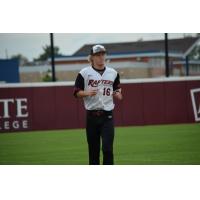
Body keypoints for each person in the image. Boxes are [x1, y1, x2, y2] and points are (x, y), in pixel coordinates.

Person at [74, 44, 122, 165]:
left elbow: (117, 89)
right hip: (92, 117)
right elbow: (76, 93)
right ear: (92, 57)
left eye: (102, 54)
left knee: (107, 149)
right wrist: (86, 93)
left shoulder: (113, 73)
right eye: (98, 55)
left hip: (107, 117)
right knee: (93, 152)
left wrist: (118, 94)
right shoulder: (84, 73)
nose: (101, 57)